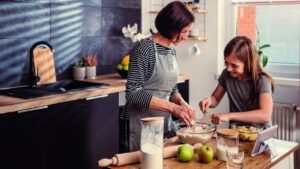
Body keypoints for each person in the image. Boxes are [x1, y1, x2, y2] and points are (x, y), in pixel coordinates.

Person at [120, 1, 196, 152]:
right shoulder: (144, 48)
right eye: (185, 31)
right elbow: (133, 93)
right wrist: (172, 107)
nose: (187, 36)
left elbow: (171, 88)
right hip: (139, 125)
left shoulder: (171, 50)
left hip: (163, 125)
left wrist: (182, 104)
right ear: (172, 27)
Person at [199, 36, 274, 129]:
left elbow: (265, 115)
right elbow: (215, 98)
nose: (229, 68)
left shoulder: (262, 80)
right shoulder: (226, 74)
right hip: (235, 133)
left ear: (248, 63)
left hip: (260, 135)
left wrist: (229, 115)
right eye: (226, 63)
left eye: (234, 65)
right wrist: (209, 100)